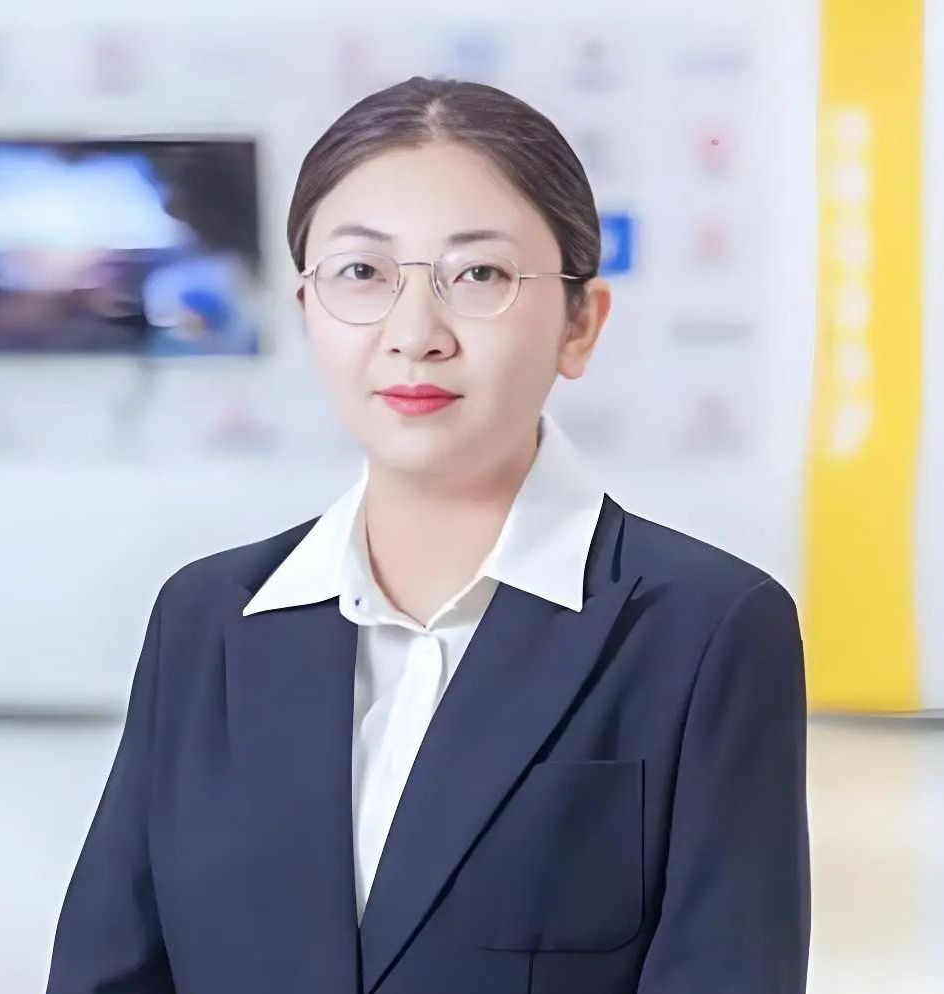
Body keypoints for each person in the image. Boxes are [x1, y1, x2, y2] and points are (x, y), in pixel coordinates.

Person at [44, 76, 809, 994]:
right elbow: (109, 970)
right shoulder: (206, 618)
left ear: (580, 323)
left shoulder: (706, 631)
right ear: (305, 309)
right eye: (361, 273)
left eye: (479, 275)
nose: (415, 334)